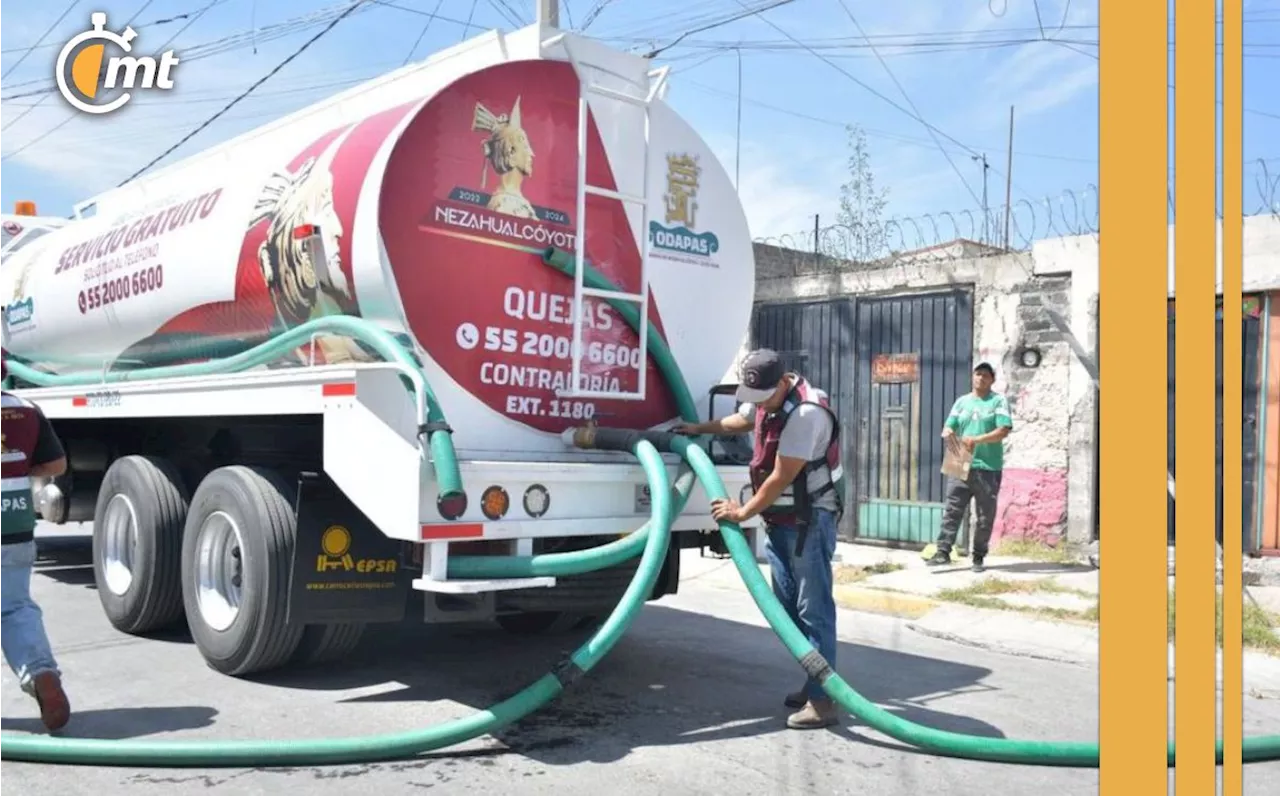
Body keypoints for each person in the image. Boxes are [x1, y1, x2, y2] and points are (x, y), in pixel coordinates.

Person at [675, 348, 844, 730]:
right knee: (784, 607)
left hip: (808, 519)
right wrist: (697, 429)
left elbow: (780, 477)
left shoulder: (805, 414)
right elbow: (741, 419)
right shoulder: (767, 396)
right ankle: (817, 678)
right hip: (781, 517)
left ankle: (824, 700)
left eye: (763, 397)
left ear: (782, 382)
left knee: (812, 608)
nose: (758, 405)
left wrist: (741, 513)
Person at [0, 350, 71, 732]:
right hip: (13, 525)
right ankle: (42, 673)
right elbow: (57, 465)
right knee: (12, 608)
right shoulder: (26, 409)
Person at [926, 362, 1013, 573]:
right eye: (977, 374)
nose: (980, 378)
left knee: (984, 515)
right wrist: (947, 432)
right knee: (952, 510)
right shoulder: (962, 402)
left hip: (987, 466)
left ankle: (978, 556)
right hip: (959, 459)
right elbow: (950, 425)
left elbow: (1004, 429)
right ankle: (942, 552)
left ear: (992, 380)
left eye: (985, 375)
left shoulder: (998, 401)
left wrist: (978, 439)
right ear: (972, 377)